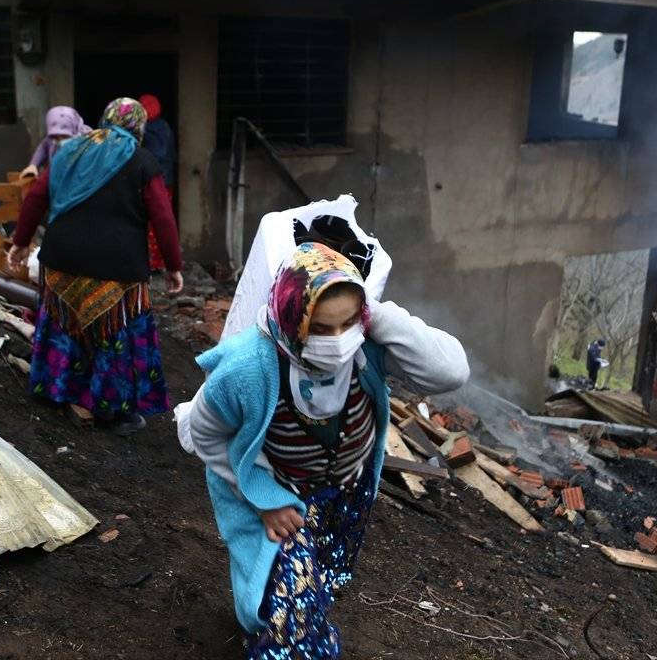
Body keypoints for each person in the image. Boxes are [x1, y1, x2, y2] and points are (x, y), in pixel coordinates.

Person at [183, 243, 469, 657]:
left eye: (349, 322)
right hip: (275, 494)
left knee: (317, 578)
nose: (338, 342)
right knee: (285, 605)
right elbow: (204, 432)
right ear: (290, 315)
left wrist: (375, 313)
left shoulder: (366, 348)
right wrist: (264, 501)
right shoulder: (249, 368)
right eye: (321, 327)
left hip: (341, 495)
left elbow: (451, 371)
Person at [9, 97, 185, 434]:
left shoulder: (70, 150)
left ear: (105, 119)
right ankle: (112, 411)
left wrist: (20, 243)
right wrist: (173, 265)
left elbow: (36, 197)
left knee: (65, 325)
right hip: (115, 271)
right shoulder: (143, 160)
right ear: (140, 126)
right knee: (111, 335)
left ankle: (57, 390)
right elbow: (163, 217)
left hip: (61, 261)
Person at [138, 93, 176, 272]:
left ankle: (152, 262)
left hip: (151, 180)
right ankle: (160, 262)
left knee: (149, 220)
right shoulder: (165, 128)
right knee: (162, 219)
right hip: (167, 180)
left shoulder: (144, 130)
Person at [20, 105, 88, 178]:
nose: (60, 140)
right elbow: (42, 148)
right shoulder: (50, 140)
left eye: (65, 136)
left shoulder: (87, 141)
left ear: (74, 128)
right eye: (56, 136)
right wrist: (33, 166)